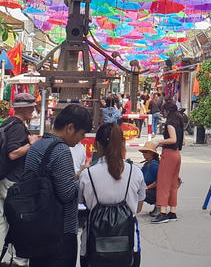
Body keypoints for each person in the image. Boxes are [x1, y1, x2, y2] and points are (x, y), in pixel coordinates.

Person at [22, 104, 92, 267]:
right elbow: (67, 194)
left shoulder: (37, 146)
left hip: (36, 227)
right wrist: (84, 180)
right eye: (81, 134)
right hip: (60, 232)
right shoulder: (61, 150)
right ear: (70, 128)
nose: (81, 139)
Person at [79, 123, 145, 267]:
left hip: (92, 247)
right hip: (129, 247)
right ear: (123, 143)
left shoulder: (87, 175)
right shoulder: (135, 172)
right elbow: (138, 208)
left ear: (97, 145)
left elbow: (81, 202)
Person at [0, 93, 37, 267]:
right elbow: (12, 153)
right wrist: (31, 144)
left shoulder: (7, 123)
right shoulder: (17, 127)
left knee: (0, 220)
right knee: (21, 221)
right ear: (23, 108)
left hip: (3, 178)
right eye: (31, 107)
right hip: (14, 181)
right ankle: (18, 260)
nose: (33, 109)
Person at [152, 101, 186, 223]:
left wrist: (159, 142)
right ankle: (172, 211)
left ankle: (163, 212)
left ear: (167, 111)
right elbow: (182, 141)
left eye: (163, 111)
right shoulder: (179, 123)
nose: (163, 113)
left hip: (169, 154)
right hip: (177, 154)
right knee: (173, 184)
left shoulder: (170, 123)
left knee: (163, 183)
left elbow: (173, 139)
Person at [137, 141, 160, 215]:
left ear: (151, 153)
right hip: (149, 188)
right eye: (143, 152)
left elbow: (159, 181)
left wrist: (147, 187)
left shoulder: (154, 165)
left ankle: (158, 205)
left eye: (146, 152)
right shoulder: (146, 164)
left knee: (140, 192)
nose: (143, 154)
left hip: (156, 191)